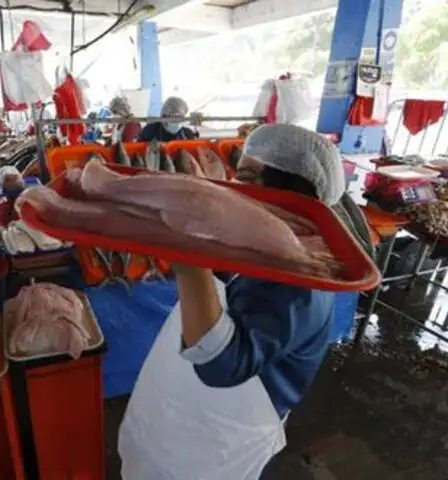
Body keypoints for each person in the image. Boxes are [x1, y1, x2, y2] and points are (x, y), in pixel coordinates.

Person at [118, 124, 373, 480]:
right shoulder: (267, 243)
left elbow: (221, 364)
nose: (235, 189)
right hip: (184, 419)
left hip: (223, 444)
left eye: (248, 178)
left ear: (294, 195)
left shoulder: (301, 284)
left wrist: (190, 265)